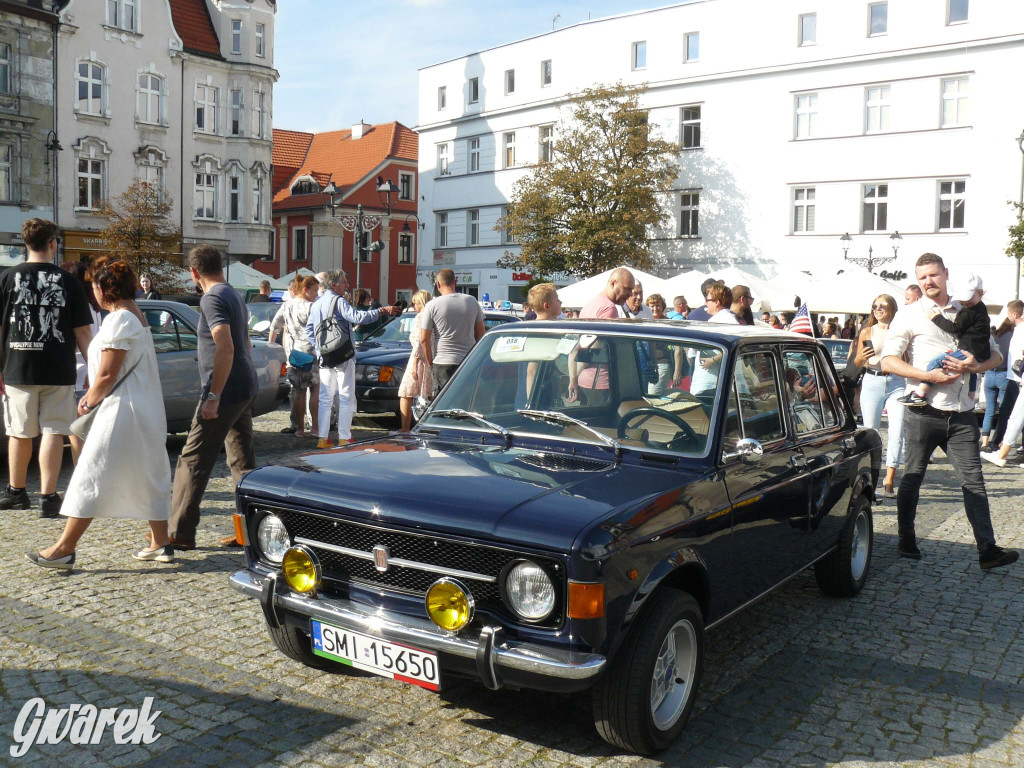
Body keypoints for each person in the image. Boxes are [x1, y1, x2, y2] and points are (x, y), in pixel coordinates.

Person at [26, 259, 173, 569]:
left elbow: (107, 374)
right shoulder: (133, 314)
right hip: (139, 408)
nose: (92, 292)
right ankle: (161, 541)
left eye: (94, 286)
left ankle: (64, 548)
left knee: (90, 474)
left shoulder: (120, 319)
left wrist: (89, 402)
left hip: (122, 410)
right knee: (149, 474)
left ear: (105, 288)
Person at [879, 252, 1017, 570]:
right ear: (918, 280)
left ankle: (987, 550)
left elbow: (995, 356)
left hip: (962, 413)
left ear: (945, 274)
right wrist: (928, 376)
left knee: (973, 481)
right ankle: (906, 538)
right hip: (923, 413)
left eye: (933, 274)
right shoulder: (909, 315)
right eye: (922, 276)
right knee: (912, 477)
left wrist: (975, 364)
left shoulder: (968, 309)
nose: (928, 281)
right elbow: (888, 360)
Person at [0, 218, 93, 516]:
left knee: (19, 432)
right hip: (59, 369)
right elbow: (83, 333)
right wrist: (93, 369)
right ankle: (48, 496)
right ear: (52, 243)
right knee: (54, 431)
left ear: (26, 244)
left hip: (18, 366)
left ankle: (17, 491)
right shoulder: (69, 282)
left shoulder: (7, 278)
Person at [168, 245, 259, 550]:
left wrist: (214, 395)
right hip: (245, 385)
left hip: (226, 389)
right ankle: (249, 532)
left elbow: (226, 345)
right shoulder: (232, 293)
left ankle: (179, 532)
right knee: (242, 464)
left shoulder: (212, 298)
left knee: (193, 459)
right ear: (221, 267)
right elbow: (243, 341)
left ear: (194, 272)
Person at [307, 270, 400, 449]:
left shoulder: (316, 303)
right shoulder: (339, 301)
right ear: (333, 285)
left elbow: (309, 330)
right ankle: (344, 437)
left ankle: (323, 438)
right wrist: (381, 311)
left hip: (325, 356)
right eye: (343, 283)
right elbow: (358, 317)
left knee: (326, 397)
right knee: (346, 394)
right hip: (342, 353)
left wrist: (320, 349)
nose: (347, 286)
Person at [899, 274, 989, 407]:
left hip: (970, 351)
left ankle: (920, 392)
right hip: (979, 351)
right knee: (965, 370)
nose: (965, 303)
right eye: (962, 300)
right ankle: (969, 397)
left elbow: (954, 328)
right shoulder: (981, 308)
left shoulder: (968, 312)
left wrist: (936, 317)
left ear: (981, 294)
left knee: (937, 362)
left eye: (968, 300)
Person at [853, 294, 905, 497]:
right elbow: (856, 363)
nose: (878, 309)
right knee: (871, 432)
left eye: (882, 306)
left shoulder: (900, 330)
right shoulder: (868, 331)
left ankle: (889, 478)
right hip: (872, 380)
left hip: (896, 381)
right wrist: (861, 357)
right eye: (875, 306)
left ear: (892, 308)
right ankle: (870, 478)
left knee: (897, 429)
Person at [420, 268, 485, 396]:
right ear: (456, 281)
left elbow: (424, 339)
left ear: (438, 284)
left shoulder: (432, 305)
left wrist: (430, 365)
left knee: (444, 402)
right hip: (468, 360)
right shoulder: (471, 301)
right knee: (466, 399)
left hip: (443, 361)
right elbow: (481, 334)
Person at [981, 300, 1024, 467]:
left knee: (1015, 416)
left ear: (1014, 314)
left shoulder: (1020, 330)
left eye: (1008, 313)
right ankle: (1002, 452)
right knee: (1015, 416)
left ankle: (1002, 454)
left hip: (1017, 378)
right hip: (1015, 378)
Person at [281, 276, 320, 438]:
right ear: (305, 289)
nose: (317, 294)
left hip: (295, 354)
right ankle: (316, 428)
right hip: (311, 352)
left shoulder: (286, 305)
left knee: (299, 392)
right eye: (315, 291)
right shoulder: (311, 307)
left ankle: (299, 429)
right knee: (315, 390)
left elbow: (275, 326)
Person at [397, 290, 435, 432]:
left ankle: (405, 428)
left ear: (422, 302)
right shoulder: (432, 316)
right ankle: (429, 427)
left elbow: (420, 341)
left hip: (419, 358)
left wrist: (414, 364)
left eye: (416, 303)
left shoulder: (420, 317)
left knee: (405, 392)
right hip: (431, 356)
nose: (414, 306)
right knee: (430, 393)